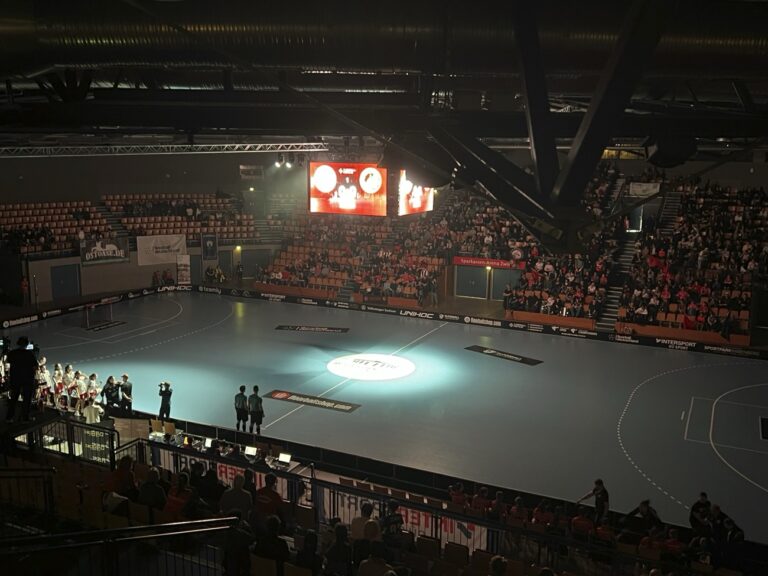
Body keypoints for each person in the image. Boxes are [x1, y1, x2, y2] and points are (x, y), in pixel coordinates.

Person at [4, 337, 40, 422]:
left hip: (15, 379)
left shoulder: (12, 353)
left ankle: (9, 418)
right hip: (27, 379)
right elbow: (35, 366)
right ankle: (25, 418)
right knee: (27, 399)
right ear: (26, 344)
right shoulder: (29, 354)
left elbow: (8, 363)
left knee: (13, 399)